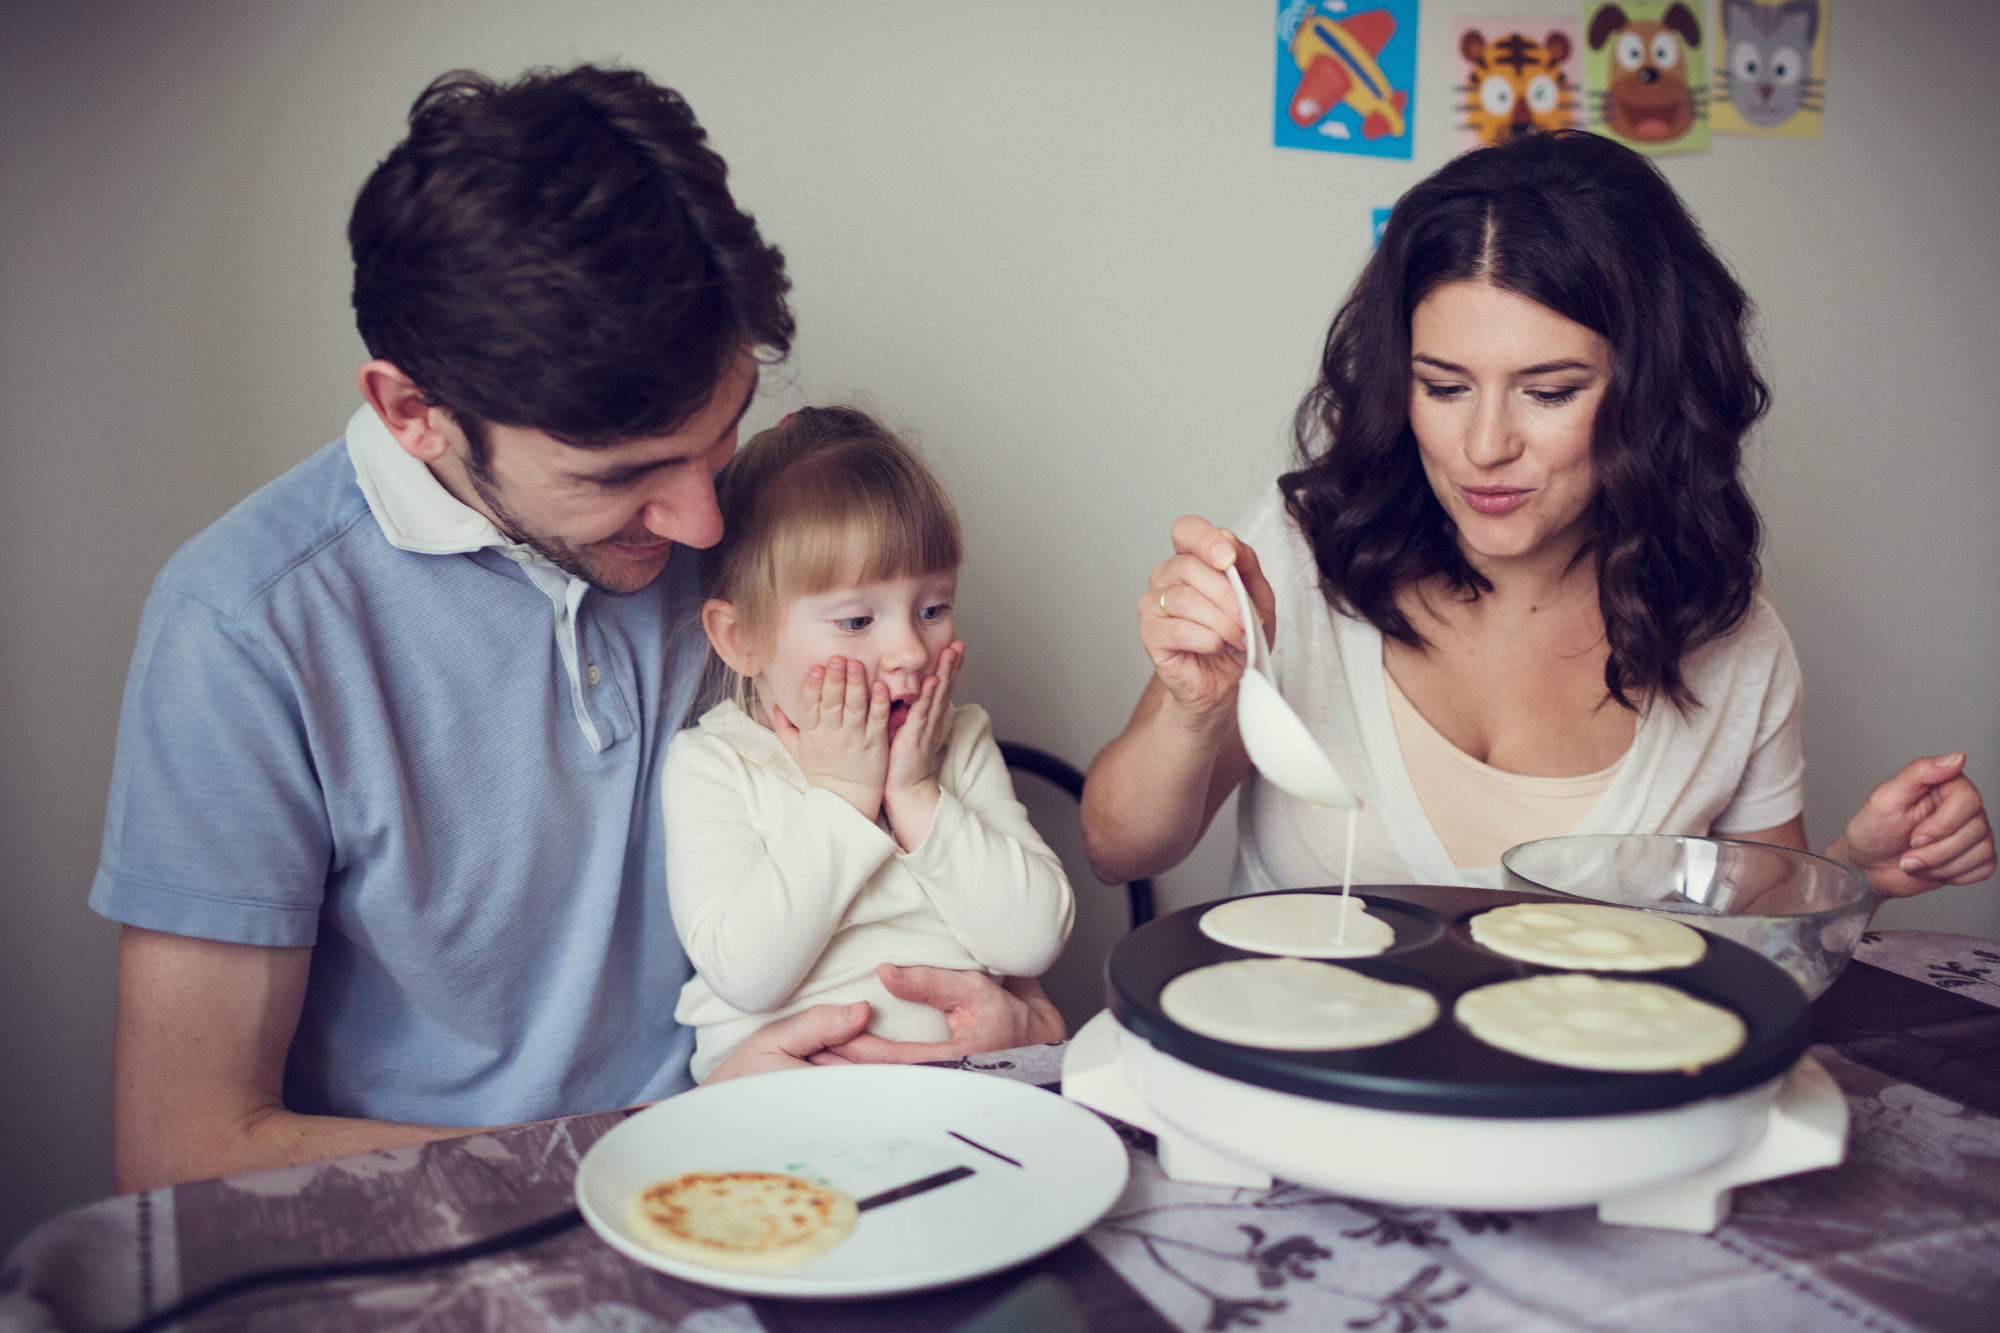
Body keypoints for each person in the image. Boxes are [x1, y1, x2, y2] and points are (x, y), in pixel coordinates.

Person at [91, 65, 1058, 1195]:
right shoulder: (247, 630)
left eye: (722, 431)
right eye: (620, 478)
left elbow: (968, 926)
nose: (703, 519)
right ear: (413, 414)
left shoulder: (766, 541)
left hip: (816, 1163)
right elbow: (183, 1149)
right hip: (467, 1226)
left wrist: (1010, 1019)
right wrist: (665, 1142)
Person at [1081, 129, 1993, 901]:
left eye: (1549, 391)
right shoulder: (1302, 557)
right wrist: (1192, 705)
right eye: (1442, 385)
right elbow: (1120, 848)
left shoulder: (1729, 632)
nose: (1484, 445)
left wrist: (1854, 872)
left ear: (1651, 392)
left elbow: (1747, 927)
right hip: (1294, 1092)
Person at [665, 406, 1075, 1079]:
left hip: (972, 1094)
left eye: (933, 608)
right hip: (789, 1105)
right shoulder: (717, 764)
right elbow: (746, 973)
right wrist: (843, 797)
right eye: (857, 619)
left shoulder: (956, 740)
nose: (910, 650)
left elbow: (1031, 940)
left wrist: (914, 794)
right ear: (742, 640)